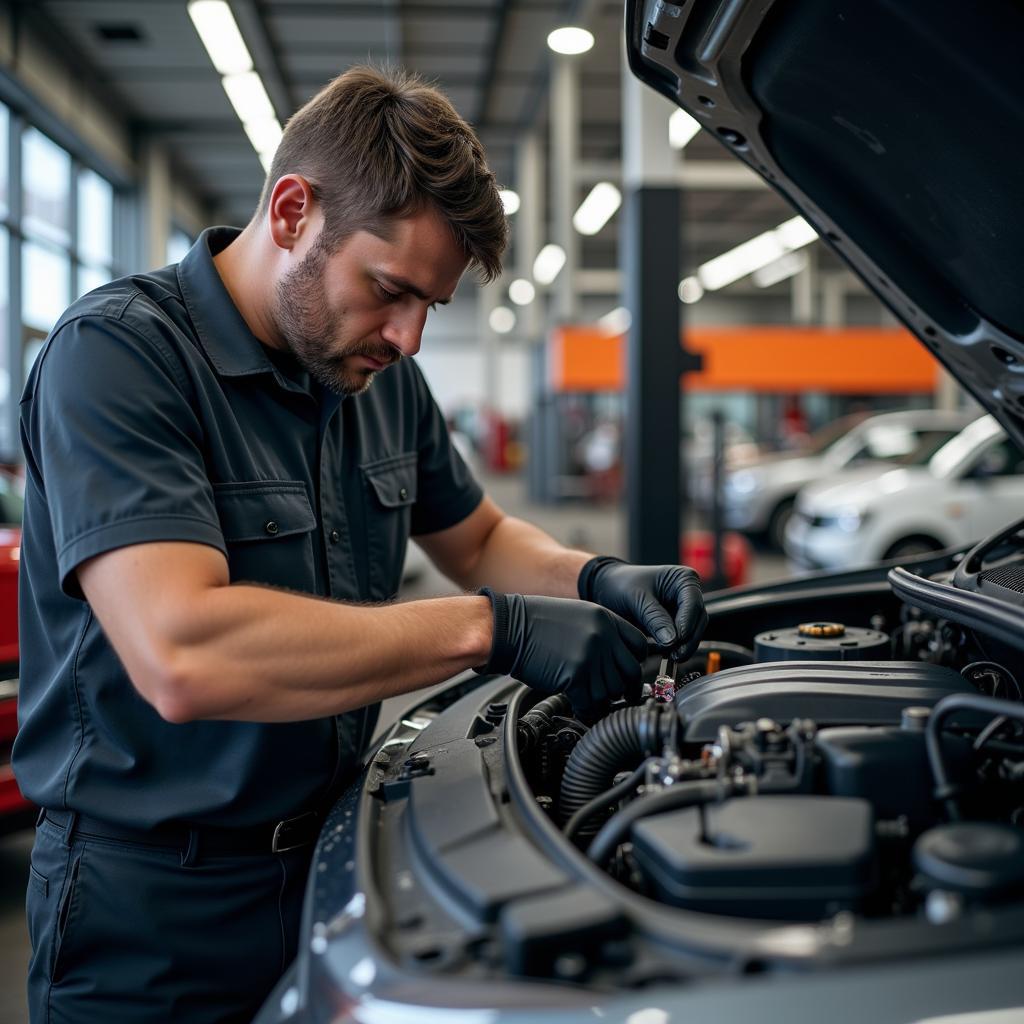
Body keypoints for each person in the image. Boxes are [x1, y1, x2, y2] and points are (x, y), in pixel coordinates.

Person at [14, 66, 707, 1023]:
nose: (410, 337)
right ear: (292, 211)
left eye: (431, 305)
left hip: (342, 872)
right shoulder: (121, 358)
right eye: (390, 290)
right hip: (154, 914)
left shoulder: (372, 378)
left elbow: (479, 535)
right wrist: (493, 630)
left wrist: (595, 576)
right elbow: (183, 652)